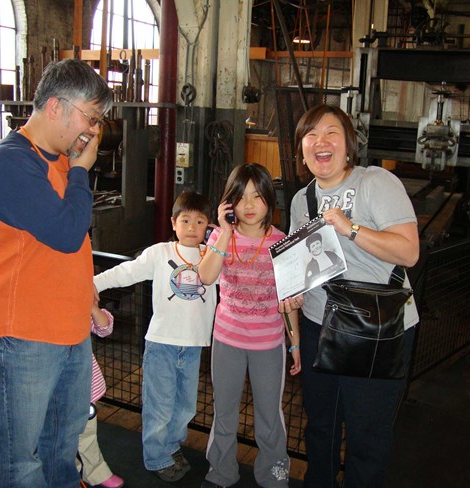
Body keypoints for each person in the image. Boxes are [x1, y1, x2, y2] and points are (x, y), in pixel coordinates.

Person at [0, 59, 113, 487]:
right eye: (90, 117)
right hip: (23, 336)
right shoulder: (8, 162)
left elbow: (71, 251)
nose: (92, 131)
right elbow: (68, 232)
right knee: (22, 460)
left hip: (69, 331)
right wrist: (79, 170)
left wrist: (87, 297)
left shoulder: (59, 162)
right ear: (56, 107)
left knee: (62, 444)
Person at [281, 104, 419, 488]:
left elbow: (408, 252)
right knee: (320, 425)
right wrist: (292, 293)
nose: (320, 142)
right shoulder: (301, 201)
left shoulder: (376, 182)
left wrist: (350, 226)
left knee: (367, 435)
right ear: (301, 148)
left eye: (331, 133)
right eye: (310, 135)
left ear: (348, 145)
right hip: (317, 325)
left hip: (376, 328)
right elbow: (304, 266)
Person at [92, 191, 217, 483]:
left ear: (208, 227)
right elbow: (127, 272)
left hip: (194, 344)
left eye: (199, 222)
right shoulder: (160, 253)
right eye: (185, 220)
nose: (191, 227)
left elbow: (234, 282)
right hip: (162, 342)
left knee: (185, 404)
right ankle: (157, 456)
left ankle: (171, 446)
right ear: (173, 223)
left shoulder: (212, 257)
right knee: (159, 403)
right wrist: (93, 283)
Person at [198, 163, 301, 488]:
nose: (250, 205)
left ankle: (274, 476)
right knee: (224, 413)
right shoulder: (219, 236)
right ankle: (221, 473)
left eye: (258, 197)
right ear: (230, 203)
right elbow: (206, 276)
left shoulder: (281, 242)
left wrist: (295, 343)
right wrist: (225, 232)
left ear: (270, 200)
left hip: (269, 345)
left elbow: (288, 300)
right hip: (227, 340)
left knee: (269, 417)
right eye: (242, 198)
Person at [76, 301, 125, 488]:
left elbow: (105, 328)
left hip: (83, 386)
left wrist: (90, 306)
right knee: (61, 438)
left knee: (87, 433)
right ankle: (72, 472)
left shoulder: (77, 305)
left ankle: (96, 472)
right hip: (54, 387)